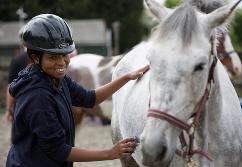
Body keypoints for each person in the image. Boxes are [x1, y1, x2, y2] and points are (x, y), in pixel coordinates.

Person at [6, 14, 149, 167]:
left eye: (64, 54)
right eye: (53, 57)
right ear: (35, 58)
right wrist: (110, 153)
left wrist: (126, 77)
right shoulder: (37, 98)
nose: (62, 63)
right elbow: (59, 150)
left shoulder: (55, 78)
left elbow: (89, 98)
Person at [4, 51, 32, 122]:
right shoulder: (46, 58)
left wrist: (8, 110)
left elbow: (11, 87)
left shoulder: (17, 59)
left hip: (21, 106)